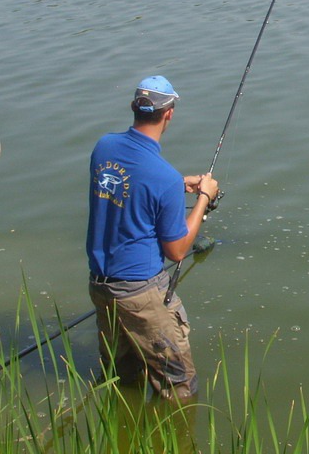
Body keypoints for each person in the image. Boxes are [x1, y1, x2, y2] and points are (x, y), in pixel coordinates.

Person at [86, 75, 219, 401]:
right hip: (140, 295)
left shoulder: (103, 147)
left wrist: (178, 184)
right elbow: (176, 251)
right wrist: (203, 197)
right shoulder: (163, 177)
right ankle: (173, 448)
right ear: (169, 113)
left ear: (135, 108)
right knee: (180, 389)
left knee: (123, 376)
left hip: (101, 288)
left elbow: (130, 182)